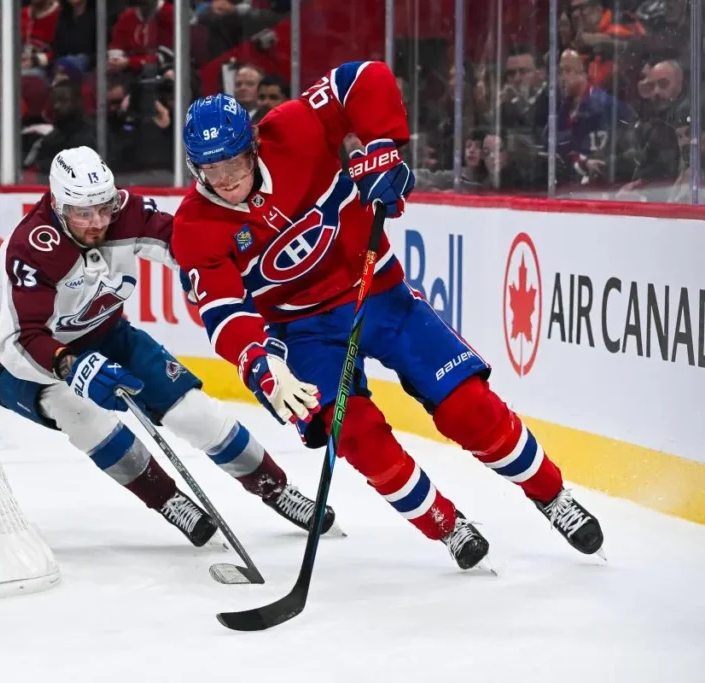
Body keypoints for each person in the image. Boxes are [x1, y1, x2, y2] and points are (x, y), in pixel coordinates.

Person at [172, 62, 605, 571]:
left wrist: (381, 146)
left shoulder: (295, 127)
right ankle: (446, 525)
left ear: (254, 146)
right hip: (303, 334)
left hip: (377, 289)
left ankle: (551, 495)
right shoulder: (194, 228)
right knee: (352, 433)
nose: (225, 181)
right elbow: (223, 313)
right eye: (211, 171)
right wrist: (262, 364)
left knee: (468, 406)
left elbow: (363, 78)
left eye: (234, 165)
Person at [0, 146, 336, 547]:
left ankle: (275, 488)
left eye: (104, 208)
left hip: (108, 335)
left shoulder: (125, 214)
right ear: (58, 206)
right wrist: (69, 366)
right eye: (83, 213)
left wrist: (217, 276)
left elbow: (186, 246)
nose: (97, 223)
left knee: (194, 412)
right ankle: (166, 499)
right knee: (81, 414)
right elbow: (19, 341)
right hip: (30, 361)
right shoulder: (32, 249)